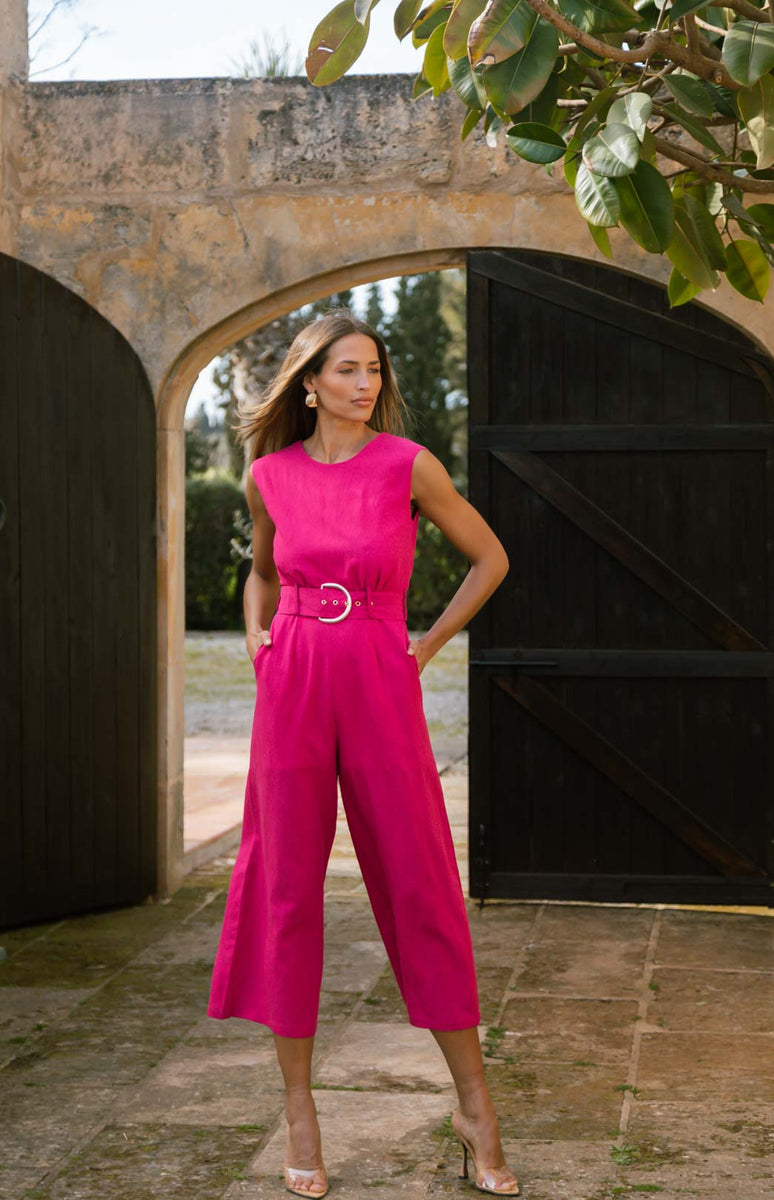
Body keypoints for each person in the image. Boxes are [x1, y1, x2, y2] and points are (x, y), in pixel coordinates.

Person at [206, 308, 518, 1197]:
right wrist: (259, 639)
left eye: (373, 370)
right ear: (309, 383)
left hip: (381, 672)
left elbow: (490, 557)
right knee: (286, 886)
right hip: (295, 676)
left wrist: (426, 644)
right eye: (346, 370)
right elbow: (263, 569)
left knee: (418, 877)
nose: (364, 384)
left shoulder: (406, 463)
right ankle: (299, 1110)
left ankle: (473, 1105)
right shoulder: (269, 473)